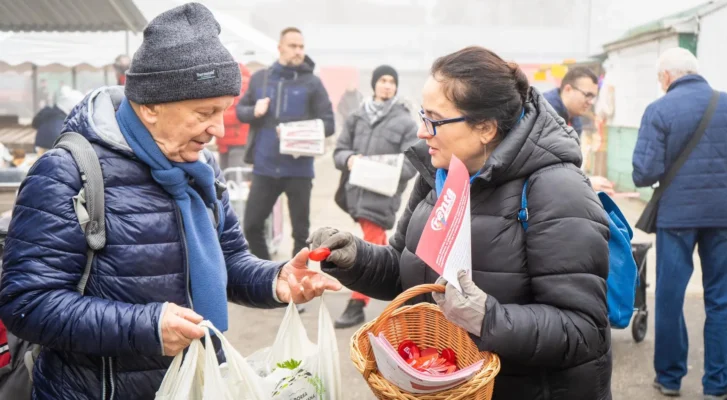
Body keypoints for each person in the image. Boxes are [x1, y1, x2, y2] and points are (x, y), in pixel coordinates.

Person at [0, 5, 340, 400]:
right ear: (151, 106)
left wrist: (274, 279)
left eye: (225, 110)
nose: (219, 128)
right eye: (205, 112)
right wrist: (144, 326)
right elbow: (28, 303)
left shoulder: (201, 169)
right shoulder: (66, 172)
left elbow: (227, 259)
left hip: (197, 383)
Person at [309, 46, 612, 399]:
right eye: (422, 115)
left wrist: (487, 319)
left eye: (434, 120)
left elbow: (583, 330)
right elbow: (406, 272)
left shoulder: (557, 190)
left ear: (485, 127)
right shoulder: (438, 175)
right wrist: (355, 257)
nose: (422, 132)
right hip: (447, 384)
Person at [633, 47, 727, 400]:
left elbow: (644, 173)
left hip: (677, 219)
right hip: (724, 218)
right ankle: (717, 384)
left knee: (670, 298)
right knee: (719, 300)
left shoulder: (659, 110)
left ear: (667, 77)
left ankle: (670, 379)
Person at [236, 27, 335, 260]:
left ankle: (296, 278)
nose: (298, 51)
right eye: (293, 46)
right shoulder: (261, 79)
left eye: (301, 47)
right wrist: (254, 110)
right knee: (251, 225)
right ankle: (267, 277)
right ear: (280, 47)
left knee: (301, 235)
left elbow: (329, 124)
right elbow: (240, 111)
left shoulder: (313, 83)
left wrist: (299, 132)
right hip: (265, 166)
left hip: (299, 169)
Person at [331, 65, 418, 329]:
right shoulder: (357, 117)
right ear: (374, 84)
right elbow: (339, 151)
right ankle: (402, 295)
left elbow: (412, 162)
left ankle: (358, 303)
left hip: (381, 195)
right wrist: (349, 160)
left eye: (392, 81)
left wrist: (386, 172)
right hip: (356, 193)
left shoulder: (405, 121)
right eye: (383, 80)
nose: (387, 85)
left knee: (371, 243)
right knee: (377, 245)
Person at [542, 67, 615, 194]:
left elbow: (569, 164)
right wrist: (585, 181)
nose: (590, 102)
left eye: (593, 97)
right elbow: (546, 169)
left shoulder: (575, 120)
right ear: (568, 89)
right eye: (587, 95)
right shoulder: (544, 114)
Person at [32, 86, 85, 155]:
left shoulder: (48, 112)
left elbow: (34, 124)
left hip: (39, 150)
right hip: (53, 154)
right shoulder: (62, 123)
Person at [219, 62, 252, 170]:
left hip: (238, 142)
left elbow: (238, 115)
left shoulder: (243, 84)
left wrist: (214, 116)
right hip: (224, 141)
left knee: (235, 178)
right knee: (226, 179)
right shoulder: (225, 82)